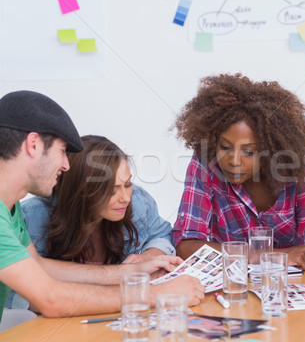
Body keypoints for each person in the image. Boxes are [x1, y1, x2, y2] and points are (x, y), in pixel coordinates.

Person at [0, 90, 204, 319]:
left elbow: (39, 266)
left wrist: (130, 272)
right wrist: (156, 294)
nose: (66, 165)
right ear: (34, 144)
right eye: (62, 151)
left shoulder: (10, 208)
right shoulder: (27, 214)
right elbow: (50, 298)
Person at [171, 73, 305, 269]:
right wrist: (270, 256)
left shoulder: (302, 172)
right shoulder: (205, 166)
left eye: (248, 151)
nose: (234, 161)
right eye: (225, 147)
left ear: (272, 150)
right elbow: (186, 248)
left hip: (286, 291)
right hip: (226, 290)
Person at [6, 134, 176, 309]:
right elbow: (22, 297)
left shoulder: (138, 201)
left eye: (127, 184)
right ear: (81, 192)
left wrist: (145, 259)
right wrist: (134, 288)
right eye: (111, 191)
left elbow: (162, 235)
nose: (125, 198)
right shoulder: (32, 217)